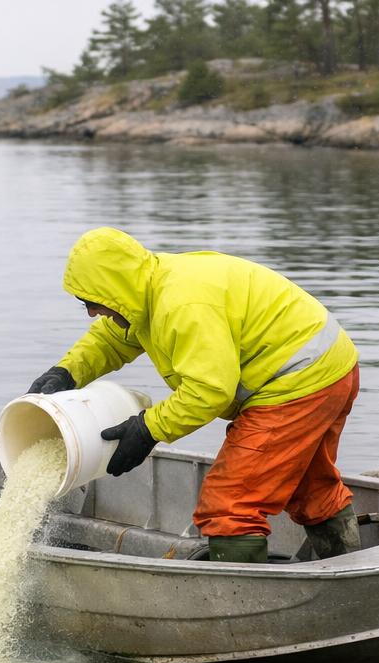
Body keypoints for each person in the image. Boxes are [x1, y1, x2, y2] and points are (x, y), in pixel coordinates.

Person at [26, 227, 360, 564]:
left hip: (299, 382)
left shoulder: (182, 304)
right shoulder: (145, 291)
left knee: (230, 503)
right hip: (331, 367)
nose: (91, 313)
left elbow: (210, 391)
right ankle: (348, 574)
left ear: (115, 290)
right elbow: (111, 339)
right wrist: (67, 372)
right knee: (310, 486)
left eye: (93, 303)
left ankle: (241, 603)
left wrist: (148, 428)